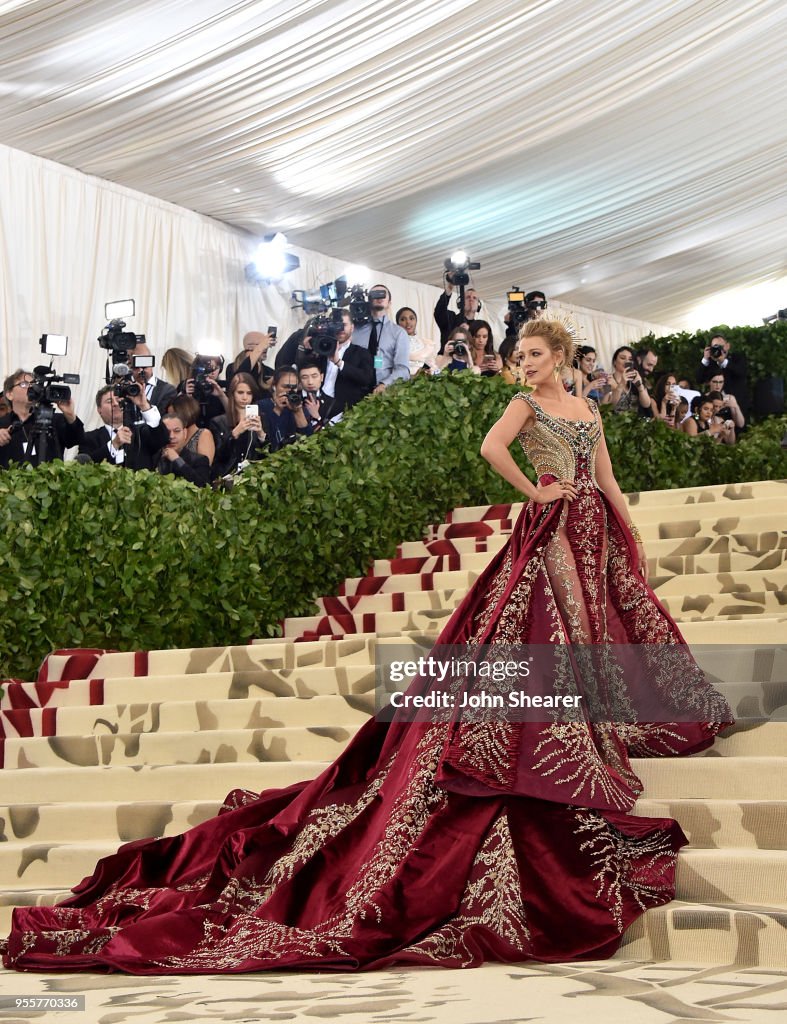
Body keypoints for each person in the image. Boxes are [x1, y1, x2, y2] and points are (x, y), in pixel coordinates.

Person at [2, 318, 733, 976]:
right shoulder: (523, 405)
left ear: (562, 356)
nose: (525, 364)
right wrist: (533, 492)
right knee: (556, 628)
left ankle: (603, 710)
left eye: (536, 355)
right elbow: (489, 449)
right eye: (519, 356)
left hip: (591, 526)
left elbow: (603, 472)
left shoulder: (587, 408)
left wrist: (621, 521)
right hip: (547, 531)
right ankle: (571, 728)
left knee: (606, 622)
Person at [0, 369, 84, 469]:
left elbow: (76, 439)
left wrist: (70, 415)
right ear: (9, 394)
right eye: (24, 384)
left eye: (34, 384)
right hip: (13, 483)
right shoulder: (2, 424)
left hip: (52, 482)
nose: (31, 387)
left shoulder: (54, 419)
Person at [78, 385, 169, 470]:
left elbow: (162, 438)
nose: (115, 404)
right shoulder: (88, 438)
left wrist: (144, 405)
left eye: (118, 400)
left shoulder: (141, 432)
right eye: (109, 401)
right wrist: (113, 445)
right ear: (99, 410)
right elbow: (85, 466)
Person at [351, 284, 410, 393]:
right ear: (368, 301)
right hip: (354, 390)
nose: (379, 297)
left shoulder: (398, 333)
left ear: (389, 303)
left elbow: (403, 369)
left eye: (383, 294)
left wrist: (385, 384)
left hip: (382, 393)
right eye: (375, 295)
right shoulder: (354, 330)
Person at [209, 373, 267, 477]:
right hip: (227, 477)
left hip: (254, 476)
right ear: (232, 393)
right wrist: (234, 434)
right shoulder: (218, 422)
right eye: (240, 392)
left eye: (249, 393)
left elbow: (268, 455)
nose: (245, 397)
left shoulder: (261, 418)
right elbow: (219, 457)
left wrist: (261, 435)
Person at [696, 334, 749, 412]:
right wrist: (705, 360)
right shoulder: (710, 362)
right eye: (715, 347)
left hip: (735, 404)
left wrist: (723, 361)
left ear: (727, 346)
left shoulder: (737, 358)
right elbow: (699, 379)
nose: (718, 349)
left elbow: (741, 373)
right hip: (713, 407)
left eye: (721, 346)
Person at [156, 413, 212, 487]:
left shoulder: (200, 460)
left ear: (185, 433)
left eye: (177, 431)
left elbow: (203, 486)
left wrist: (177, 460)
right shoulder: (152, 459)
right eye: (166, 432)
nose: (171, 436)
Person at [165, 394, 216, 468]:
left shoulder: (203, 434)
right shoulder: (169, 435)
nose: (170, 419)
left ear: (185, 413)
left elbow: (204, 468)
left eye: (173, 415)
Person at [128, 340, 177, 413]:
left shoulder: (167, 390)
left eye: (144, 364)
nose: (140, 370)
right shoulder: (126, 388)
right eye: (135, 367)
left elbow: (164, 420)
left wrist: (145, 405)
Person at [434, 277, 482, 350]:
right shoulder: (451, 318)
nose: (471, 300)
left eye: (474, 298)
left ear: (478, 305)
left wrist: (470, 331)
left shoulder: (479, 327)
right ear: (460, 303)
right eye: (468, 297)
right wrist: (449, 289)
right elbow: (439, 311)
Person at [227, 331, 276, 396]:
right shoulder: (232, 367)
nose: (266, 348)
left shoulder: (269, 371)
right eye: (262, 344)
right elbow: (242, 374)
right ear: (249, 347)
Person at [608, 346, 653, 415]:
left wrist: (640, 385)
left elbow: (646, 404)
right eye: (623, 358)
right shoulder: (608, 380)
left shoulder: (634, 379)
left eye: (630, 359)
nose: (627, 361)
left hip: (635, 423)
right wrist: (622, 384)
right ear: (614, 362)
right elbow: (609, 406)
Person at [396, 306, 439, 375]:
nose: (408, 322)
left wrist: (432, 372)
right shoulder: (392, 343)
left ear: (416, 321)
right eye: (403, 319)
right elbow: (379, 362)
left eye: (411, 318)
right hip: (399, 382)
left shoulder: (426, 343)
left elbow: (434, 368)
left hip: (424, 382)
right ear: (398, 324)